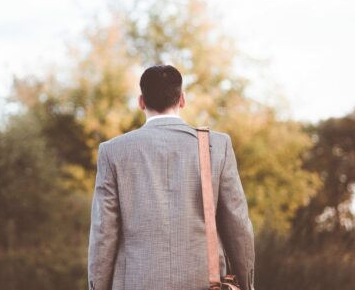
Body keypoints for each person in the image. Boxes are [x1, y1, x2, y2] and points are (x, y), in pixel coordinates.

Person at [87, 65, 255, 290]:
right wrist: (246, 283)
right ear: (182, 99)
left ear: (141, 102)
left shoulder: (113, 151)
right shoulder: (217, 146)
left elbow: (103, 234)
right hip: (204, 284)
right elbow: (238, 226)